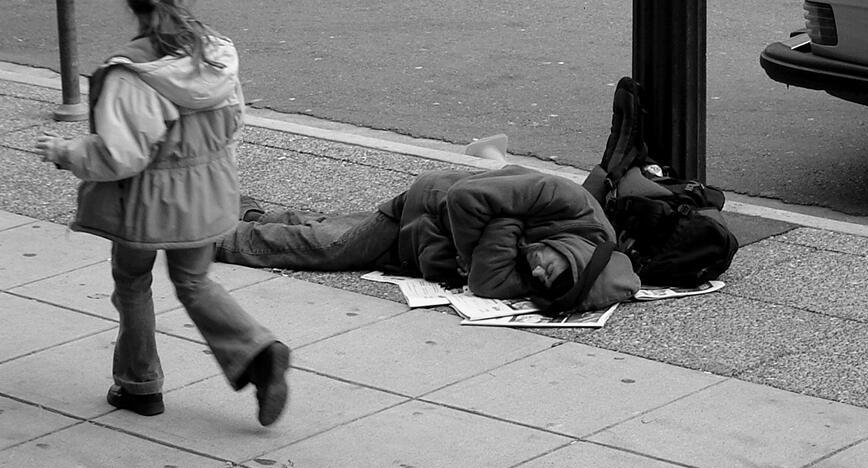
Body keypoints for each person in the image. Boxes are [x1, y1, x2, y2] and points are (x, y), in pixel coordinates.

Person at [35, 0, 289, 426]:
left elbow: (118, 156)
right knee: (194, 281)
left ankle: (140, 385)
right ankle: (259, 352)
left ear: (131, 0)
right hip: (210, 190)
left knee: (133, 283)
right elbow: (234, 121)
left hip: (147, 203)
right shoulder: (216, 53)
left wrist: (66, 152)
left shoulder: (132, 72)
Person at [216, 165, 640, 312]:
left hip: (425, 241)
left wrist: (501, 227)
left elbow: (486, 283)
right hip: (426, 207)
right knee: (330, 248)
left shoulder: (549, 273)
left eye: (542, 285)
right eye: (552, 268)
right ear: (579, 256)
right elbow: (466, 196)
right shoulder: (571, 203)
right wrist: (502, 227)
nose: (536, 271)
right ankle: (213, 239)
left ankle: (243, 210)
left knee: (328, 227)